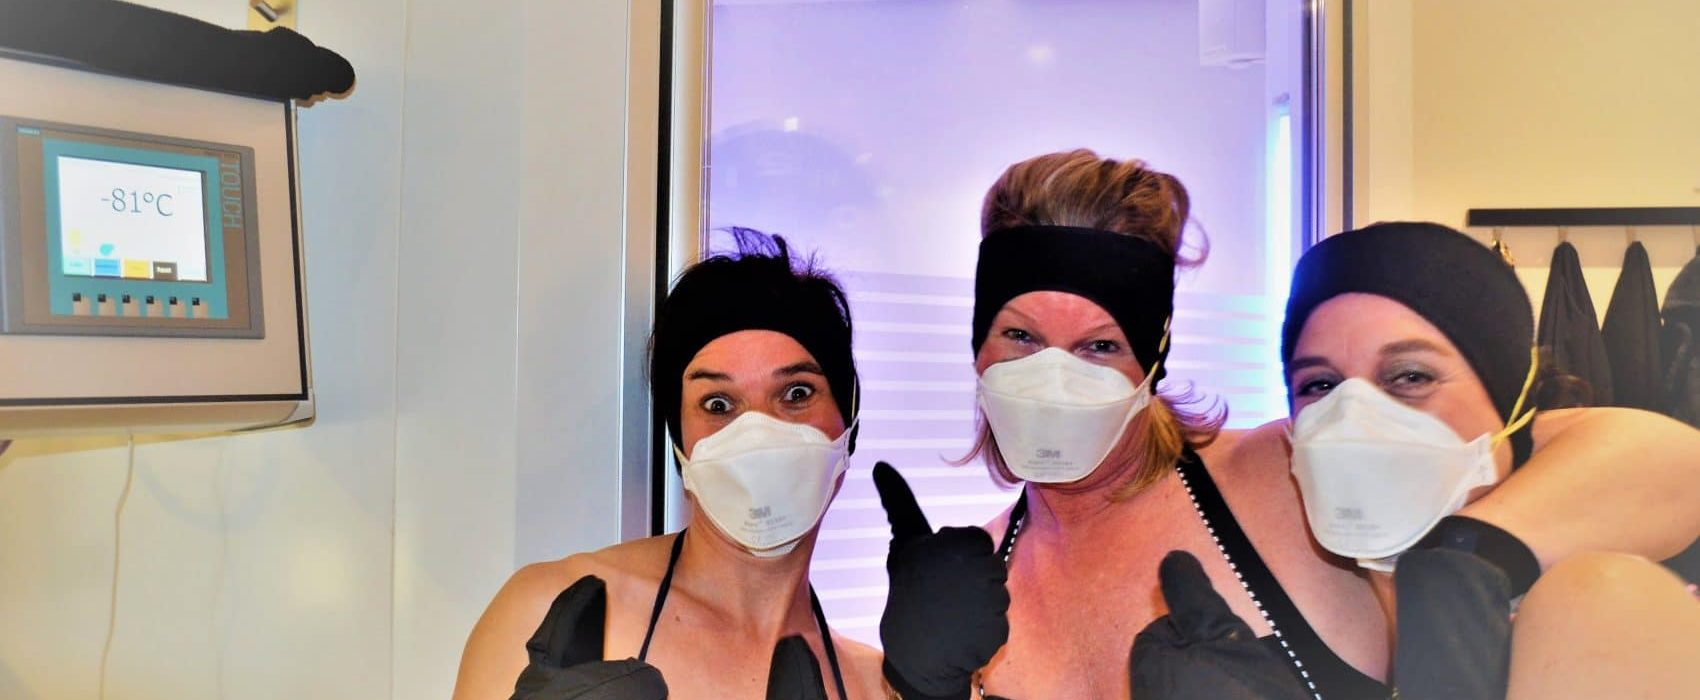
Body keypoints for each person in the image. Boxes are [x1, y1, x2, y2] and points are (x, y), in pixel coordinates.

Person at [873, 150, 1700, 700]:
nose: (1053, 378)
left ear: (1151, 357)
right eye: (1021, 336)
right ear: (978, 344)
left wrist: (1474, 553)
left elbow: (1665, 460)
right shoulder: (975, 580)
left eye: (1099, 345)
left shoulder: (1286, 476)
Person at [453, 230, 886, 700]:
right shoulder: (554, 624)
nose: (759, 434)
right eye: (718, 404)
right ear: (680, 443)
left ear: (848, 420)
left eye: (796, 393)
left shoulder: (875, 683)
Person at [1278, 221, 1700, 699]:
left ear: (1511, 404)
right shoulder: (1288, 587)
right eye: (1320, 385)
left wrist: (1466, 556)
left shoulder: (1611, 597)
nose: (1353, 420)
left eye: (1411, 376)